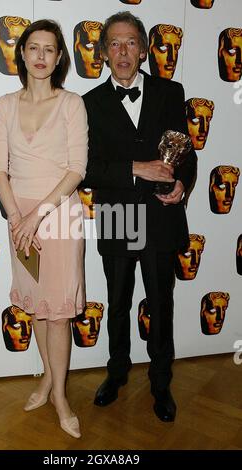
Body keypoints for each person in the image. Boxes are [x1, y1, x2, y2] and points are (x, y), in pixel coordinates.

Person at [82, 11, 197, 422]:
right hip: (116, 212)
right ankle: (116, 373)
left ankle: (161, 383)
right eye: (114, 43)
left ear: (144, 51)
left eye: (131, 42)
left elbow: (187, 152)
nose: (123, 51)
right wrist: (136, 166)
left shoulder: (171, 91)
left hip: (161, 217)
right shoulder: (89, 103)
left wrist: (182, 184)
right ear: (104, 53)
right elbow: (86, 167)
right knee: (116, 304)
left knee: (161, 303)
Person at [0, 19, 87, 439]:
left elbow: (76, 170)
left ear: (60, 57)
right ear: (23, 54)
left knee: (59, 313)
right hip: (19, 217)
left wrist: (36, 215)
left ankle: (61, 397)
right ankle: (48, 378)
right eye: (34, 48)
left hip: (60, 214)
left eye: (50, 49)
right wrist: (16, 217)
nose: (41, 56)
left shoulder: (71, 104)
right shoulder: (5, 105)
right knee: (34, 305)